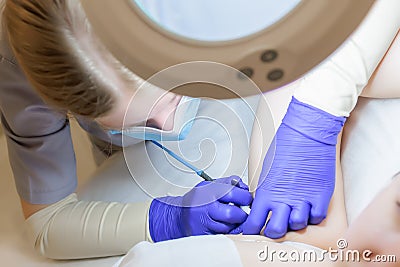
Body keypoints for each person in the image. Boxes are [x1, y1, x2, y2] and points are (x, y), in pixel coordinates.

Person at [0, 0, 252, 259]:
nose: (171, 127)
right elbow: (48, 225)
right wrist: (167, 219)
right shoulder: (22, 61)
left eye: (173, 95)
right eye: (138, 124)